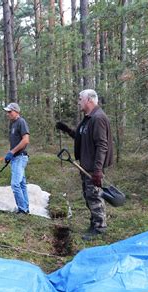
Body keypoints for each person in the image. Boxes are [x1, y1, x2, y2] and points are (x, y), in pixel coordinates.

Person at [56, 89, 113, 240]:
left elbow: (102, 145)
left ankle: (100, 227)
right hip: (85, 165)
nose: (78, 101)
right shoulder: (87, 119)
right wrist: (67, 129)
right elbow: (80, 136)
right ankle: (94, 222)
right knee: (88, 195)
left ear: (89, 100)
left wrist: (98, 170)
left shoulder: (98, 118)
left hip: (93, 167)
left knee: (94, 196)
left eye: (80, 99)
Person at [3, 102, 30, 214]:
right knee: (22, 184)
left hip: (20, 157)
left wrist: (12, 152)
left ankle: (22, 210)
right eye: (7, 112)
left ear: (16, 111)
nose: (8, 114)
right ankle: (25, 208)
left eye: (10, 112)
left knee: (15, 184)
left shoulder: (21, 122)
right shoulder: (13, 124)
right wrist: (10, 154)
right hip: (15, 158)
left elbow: (25, 140)